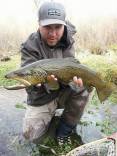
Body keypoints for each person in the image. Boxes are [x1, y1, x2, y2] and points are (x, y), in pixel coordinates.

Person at [21, 1, 89, 145]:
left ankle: (65, 129)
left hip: (63, 88)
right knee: (32, 137)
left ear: (64, 25)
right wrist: (40, 85)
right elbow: (27, 80)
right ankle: (50, 116)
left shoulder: (67, 38)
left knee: (83, 87)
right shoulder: (29, 46)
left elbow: (71, 65)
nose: (53, 34)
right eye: (47, 28)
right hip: (41, 97)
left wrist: (74, 81)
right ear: (39, 25)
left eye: (58, 27)